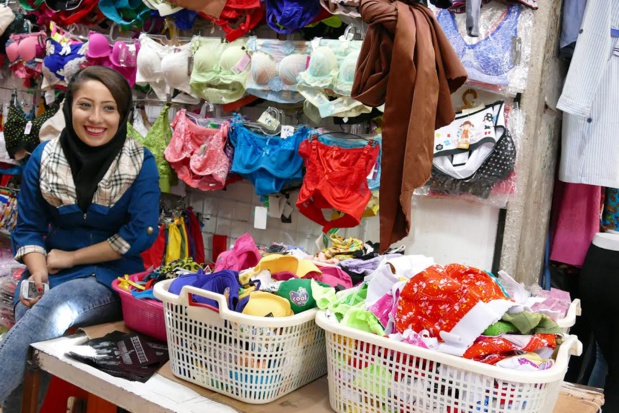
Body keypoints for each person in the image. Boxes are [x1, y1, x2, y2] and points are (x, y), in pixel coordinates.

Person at [0, 66, 160, 410]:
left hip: (110, 278)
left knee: (52, 308)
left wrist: (71, 258)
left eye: (109, 107)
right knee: (36, 321)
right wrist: (39, 271)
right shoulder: (44, 157)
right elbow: (28, 227)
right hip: (47, 273)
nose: (96, 118)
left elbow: (139, 235)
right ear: (69, 106)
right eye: (85, 105)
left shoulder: (140, 162)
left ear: (122, 114)